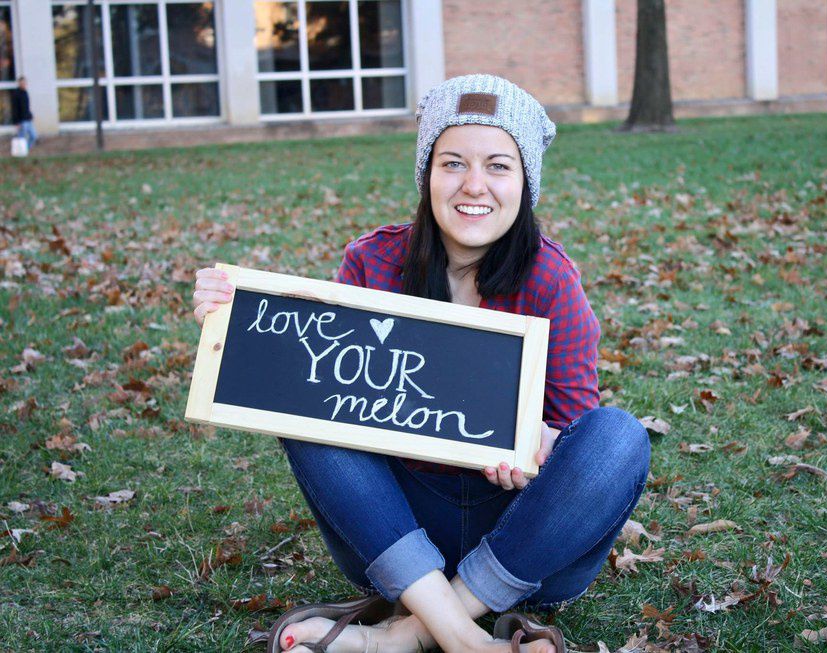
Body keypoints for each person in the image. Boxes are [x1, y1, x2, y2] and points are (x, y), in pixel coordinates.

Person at [192, 75, 650, 653]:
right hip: (394, 530)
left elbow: (581, 441)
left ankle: (406, 634)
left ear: (525, 181)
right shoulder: (373, 261)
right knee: (307, 401)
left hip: (526, 545)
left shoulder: (551, 279)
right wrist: (232, 320)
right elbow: (313, 370)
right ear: (427, 173)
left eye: (498, 166)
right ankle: (462, 636)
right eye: (453, 163)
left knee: (618, 437)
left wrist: (542, 442)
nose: (474, 186)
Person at [12, 77, 37, 153]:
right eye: (22, 83)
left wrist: (30, 115)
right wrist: (16, 122)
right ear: (19, 83)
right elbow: (15, 109)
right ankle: (20, 152)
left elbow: (27, 107)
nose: (24, 84)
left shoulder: (25, 93)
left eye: (25, 83)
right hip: (21, 121)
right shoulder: (16, 94)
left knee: (34, 136)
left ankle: (25, 150)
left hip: (28, 119)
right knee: (21, 138)